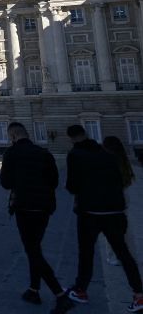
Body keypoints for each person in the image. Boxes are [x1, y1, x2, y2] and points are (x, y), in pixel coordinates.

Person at [64, 125, 142, 312]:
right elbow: (118, 179)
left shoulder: (75, 154)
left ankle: (81, 290)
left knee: (86, 253)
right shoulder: (107, 154)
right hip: (115, 211)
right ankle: (139, 295)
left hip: (90, 212)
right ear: (87, 134)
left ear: (71, 138)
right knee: (124, 253)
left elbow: (72, 186)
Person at [0, 122, 73, 313]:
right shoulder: (44, 153)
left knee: (32, 251)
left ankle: (60, 295)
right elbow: (54, 181)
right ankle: (34, 289)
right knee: (35, 247)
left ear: (13, 136)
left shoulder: (11, 154)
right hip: (45, 207)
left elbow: (6, 183)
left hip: (24, 207)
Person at [103, 136, 137, 266]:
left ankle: (113, 257)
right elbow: (127, 180)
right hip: (123, 196)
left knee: (110, 230)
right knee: (125, 228)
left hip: (110, 198)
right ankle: (128, 254)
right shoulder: (123, 159)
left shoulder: (106, 160)